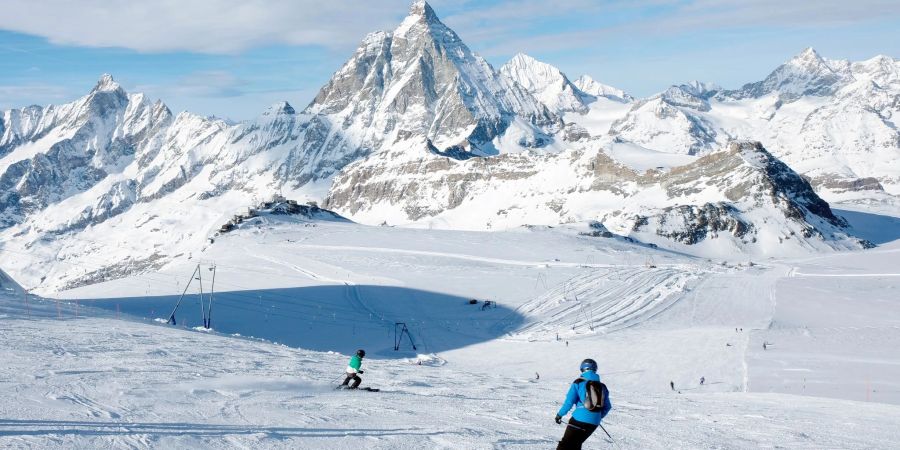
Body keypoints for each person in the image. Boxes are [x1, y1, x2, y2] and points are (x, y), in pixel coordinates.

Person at [555, 358, 611, 450]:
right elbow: (607, 406)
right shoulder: (602, 386)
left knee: (565, 445)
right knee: (576, 445)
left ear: (582, 369)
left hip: (579, 419)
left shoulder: (579, 382)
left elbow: (569, 402)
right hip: (594, 422)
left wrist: (559, 415)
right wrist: (597, 415)